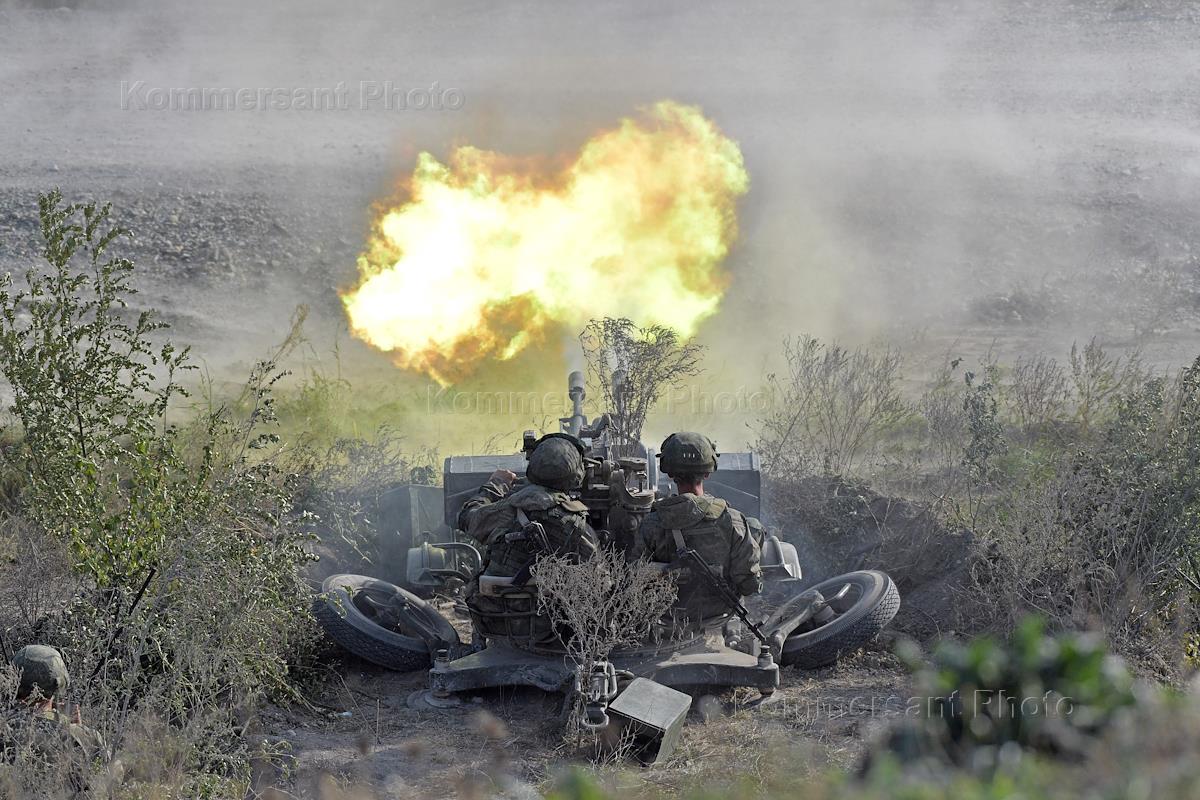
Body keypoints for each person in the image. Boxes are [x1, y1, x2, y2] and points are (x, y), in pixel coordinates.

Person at [635, 432, 762, 625]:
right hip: (721, 620)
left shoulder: (652, 523)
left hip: (667, 624)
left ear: (670, 473)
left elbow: (637, 579)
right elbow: (749, 585)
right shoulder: (733, 521)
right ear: (708, 472)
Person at [458, 433, 599, 581]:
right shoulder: (578, 527)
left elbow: (467, 518)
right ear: (576, 476)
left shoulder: (507, 510)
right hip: (550, 596)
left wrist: (496, 485)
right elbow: (598, 580)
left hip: (493, 596)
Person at [2, 644, 106, 795]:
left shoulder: (5, 729)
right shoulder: (85, 736)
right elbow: (105, 783)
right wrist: (78, 729)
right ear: (59, 683)